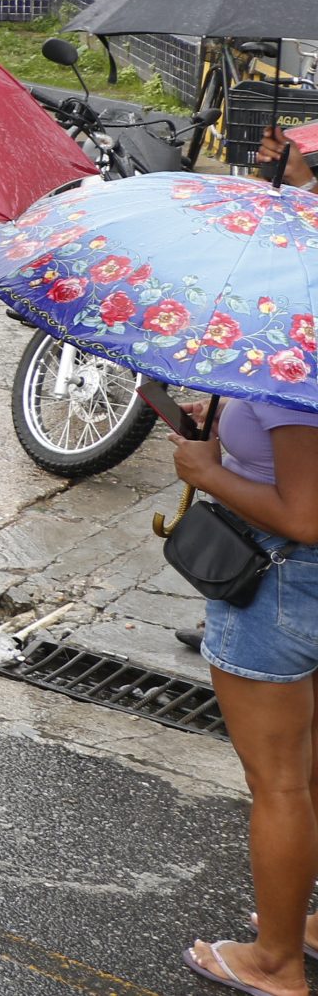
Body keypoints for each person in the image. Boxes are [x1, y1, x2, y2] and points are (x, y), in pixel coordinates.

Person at [162, 398, 318, 994]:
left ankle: (276, 962)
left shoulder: (290, 362)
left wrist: (208, 473)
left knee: (281, 783)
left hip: (284, 580)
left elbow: (304, 516)